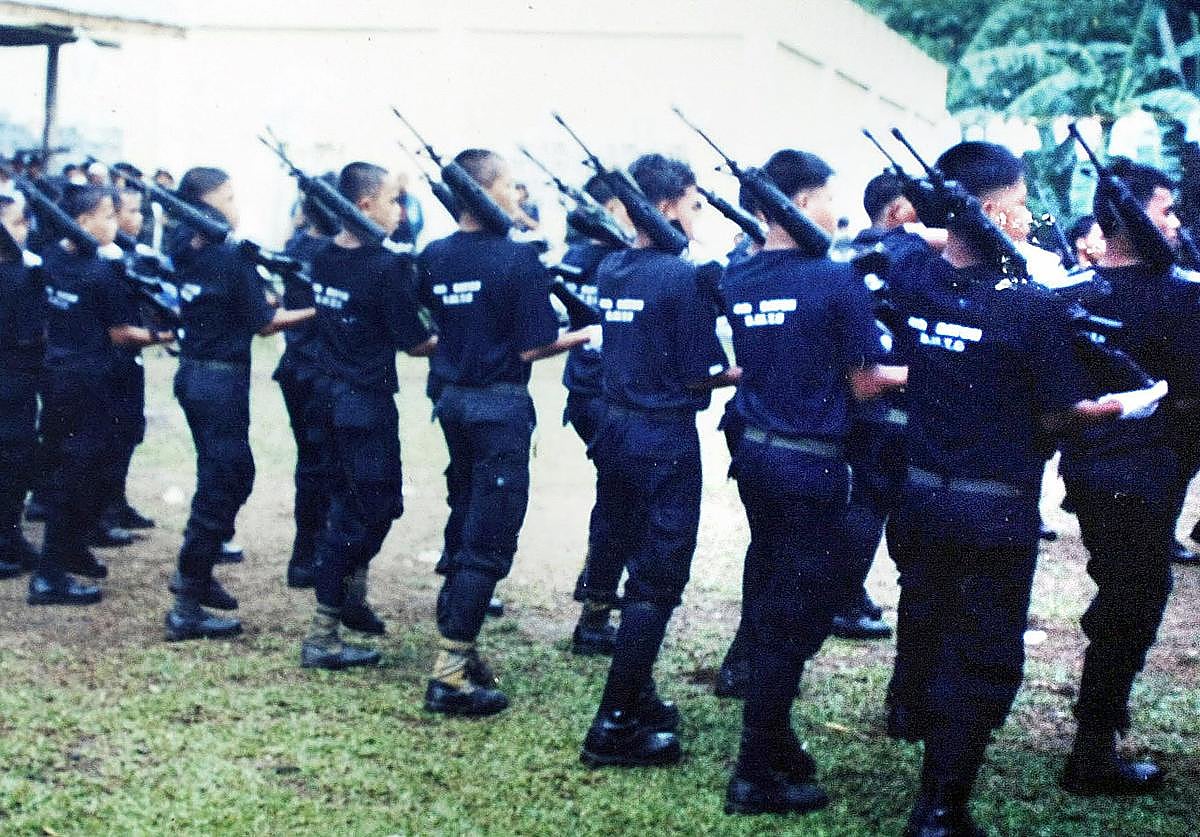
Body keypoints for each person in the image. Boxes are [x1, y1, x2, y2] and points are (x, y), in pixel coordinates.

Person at [883, 141, 1123, 835]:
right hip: (994, 507)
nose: (1027, 220)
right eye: (1018, 207)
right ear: (989, 209)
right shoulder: (1032, 309)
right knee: (984, 654)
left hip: (922, 493)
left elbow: (915, 243)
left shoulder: (913, 279)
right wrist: (1104, 410)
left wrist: (955, 224)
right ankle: (941, 808)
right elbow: (1057, 413)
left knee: (928, 626)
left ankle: (923, 747)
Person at [718, 150, 905, 815]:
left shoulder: (735, 278)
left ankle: (776, 740)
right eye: (826, 195)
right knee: (793, 617)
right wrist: (931, 369)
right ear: (796, 202)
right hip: (810, 463)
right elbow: (864, 380)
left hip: (758, 456)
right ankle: (754, 772)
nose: (836, 208)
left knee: (774, 589)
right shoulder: (835, 281)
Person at [578, 153, 739, 768]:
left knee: (633, 557)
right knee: (657, 581)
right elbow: (699, 369)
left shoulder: (614, 265)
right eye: (695, 204)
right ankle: (614, 723)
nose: (700, 217)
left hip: (617, 433)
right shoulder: (683, 276)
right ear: (667, 206)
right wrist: (738, 373)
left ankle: (637, 695)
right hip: (662, 439)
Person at [419, 148, 589, 715]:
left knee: (464, 517)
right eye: (511, 186)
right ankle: (449, 670)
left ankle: (459, 651)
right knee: (488, 540)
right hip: (498, 409)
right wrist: (585, 336)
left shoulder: (434, 255)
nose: (518, 196)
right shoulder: (517, 260)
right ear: (486, 192)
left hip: (453, 404)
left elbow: (437, 326)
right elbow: (534, 344)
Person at [1054, 158, 1200, 794]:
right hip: (1146, 477)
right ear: (1136, 216)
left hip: (1092, 476)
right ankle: (1093, 748)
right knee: (1132, 601)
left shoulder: (1069, 297)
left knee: (1125, 593)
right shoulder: (1185, 297)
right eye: (1164, 210)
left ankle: (1100, 728)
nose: (1174, 223)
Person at [164, 167, 314, 641]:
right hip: (220, 380)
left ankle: (198, 573)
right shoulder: (229, 258)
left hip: (194, 374)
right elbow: (265, 323)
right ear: (207, 205)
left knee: (224, 473)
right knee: (226, 477)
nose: (236, 205)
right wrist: (319, 310)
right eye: (229, 197)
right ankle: (186, 603)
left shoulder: (184, 249)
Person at [298, 162, 436, 669]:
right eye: (395, 199)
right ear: (365, 206)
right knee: (372, 510)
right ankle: (324, 630)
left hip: (326, 397)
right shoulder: (385, 265)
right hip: (362, 403)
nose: (402, 210)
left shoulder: (325, 256)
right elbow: (415, 340)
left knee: (349, 505)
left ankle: (348, 598)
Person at [36, 184, 174, 605]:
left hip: (57, 378)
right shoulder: (100, 272)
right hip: (90, 383)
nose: (115, 224)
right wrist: (167, 333)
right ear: (83, 223)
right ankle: (50, 575)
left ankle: (72, 550)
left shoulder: (49, 260)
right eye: (108, 216)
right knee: (78, 473)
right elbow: (122, 334)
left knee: (72, 467)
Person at [829, 171, 918, 642]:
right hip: (885, 395)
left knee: (864, 499)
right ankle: (843, 599)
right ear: (898, 210)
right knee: (871, 502)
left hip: (855, 397)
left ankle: (848, 592)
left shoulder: (846, 250)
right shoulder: (908, 252)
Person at [563, 173, 634, 656]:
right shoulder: (608, 261)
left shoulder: (580, 258)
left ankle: (597, 587)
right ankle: (595, 612)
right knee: (621, 503)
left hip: (590, 393)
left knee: (618, 500)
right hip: (603, 395)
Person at [275, 185, 338, 591]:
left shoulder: (295, 245)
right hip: (320, 371)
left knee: (311, 464)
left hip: (297, 367)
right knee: (326, 466)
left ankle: (306, 554)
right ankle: (313, 555)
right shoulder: (332, 255)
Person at [93, 183, 158, 544]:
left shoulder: (132, 253)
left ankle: (116, 502)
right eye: (130, 211)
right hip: (112, 359)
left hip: (129, 360)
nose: (138, 218)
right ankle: (102, 511)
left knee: (129, 432)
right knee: (111, 435)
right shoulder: (107, 260)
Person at [0, 193, 45, 577]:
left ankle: (10, 537)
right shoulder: (17, 276)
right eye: (15, 223)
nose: (24, 230)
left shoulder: (20, 272)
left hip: (16, 382)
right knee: (13, 463)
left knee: (16, 465)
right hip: (12, 382)